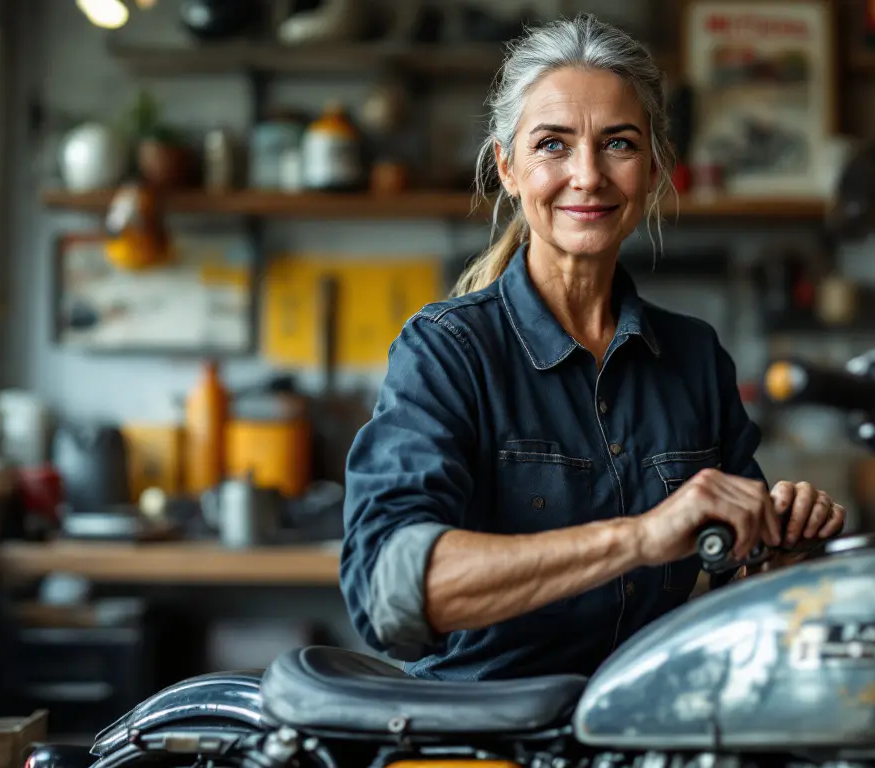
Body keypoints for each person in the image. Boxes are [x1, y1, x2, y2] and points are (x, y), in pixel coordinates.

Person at [341, 14, 847, 681]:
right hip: (484, 735)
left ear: (655, 167)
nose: (587, 175)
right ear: (509, 167)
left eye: (618, 144)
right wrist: (640, 537)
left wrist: (782, 550)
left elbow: (734, 587)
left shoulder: (694, 357)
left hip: (651, 726)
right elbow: (390, 593)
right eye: (553, 144)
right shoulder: (448, 351)